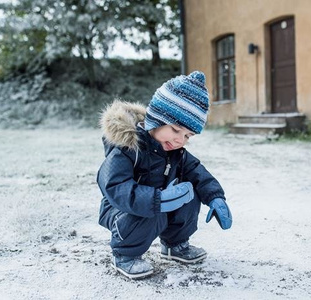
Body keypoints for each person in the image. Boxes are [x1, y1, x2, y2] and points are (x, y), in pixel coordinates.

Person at [96, 71, 232, 279]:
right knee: (153, 210)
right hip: (121, 211)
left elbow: (198, 173)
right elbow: (115, 186)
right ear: (157, 119)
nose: (180, 140)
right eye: (176, 130)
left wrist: (215, 197)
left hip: (158, 205)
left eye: (187, 135)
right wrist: (157, 200)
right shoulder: (128, 149)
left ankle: (174, 245)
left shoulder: (176, 152)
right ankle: (124, 254)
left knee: (189, 194)